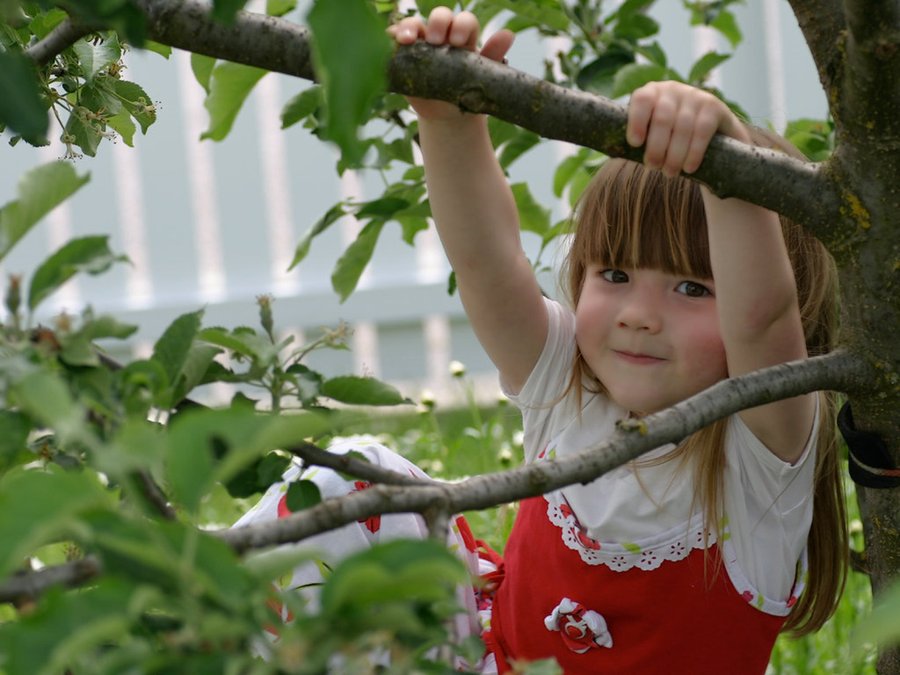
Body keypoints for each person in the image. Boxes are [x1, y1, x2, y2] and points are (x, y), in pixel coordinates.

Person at [236, 8, 848, 673]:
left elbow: (761, 320)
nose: (638, 315)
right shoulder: (571, 385)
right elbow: (486, 262)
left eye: (693, 288)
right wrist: (450, 124)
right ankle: (188, 615)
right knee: (342, 483)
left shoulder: (761, 463)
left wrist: (728, 169)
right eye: (614, 274)